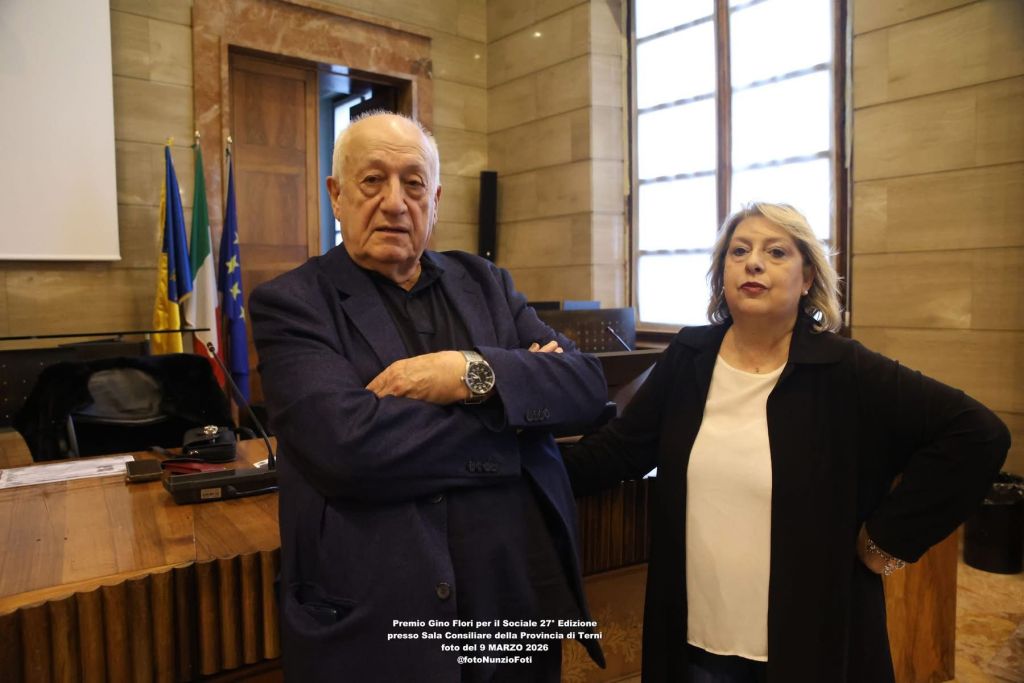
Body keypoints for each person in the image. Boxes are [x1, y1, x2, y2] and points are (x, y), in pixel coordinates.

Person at [562, 202, 1010, 682]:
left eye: (776, 252)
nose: (753, 262)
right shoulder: (689, 358)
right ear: (722, 275)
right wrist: (511, 463)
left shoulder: (845, 369)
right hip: (695, 640)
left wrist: (888, 541)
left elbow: (977, 433)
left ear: (807, 279)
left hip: (807, 641)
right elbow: (617, 451)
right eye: (739, 251)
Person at [249, 112, 608, 683]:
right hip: (385, 620)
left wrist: (471, 374)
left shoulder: (487, 282)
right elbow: (350, 449)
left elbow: (587, 387)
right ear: (336, 196)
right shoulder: (293, 303)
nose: (395, 202)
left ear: (435, 199)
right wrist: (516, 418)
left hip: (515, 608)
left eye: (413, 184)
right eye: (373, 181)